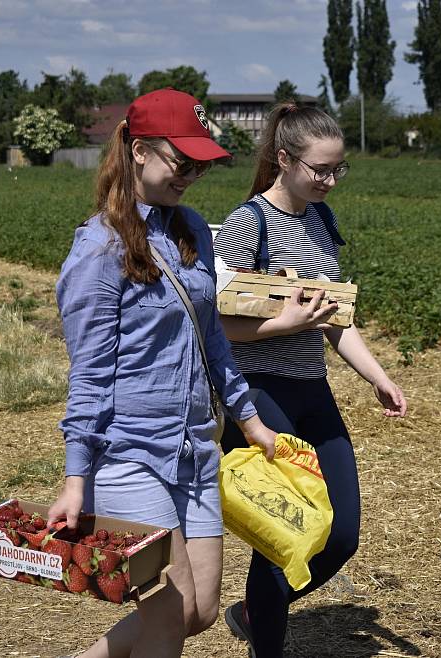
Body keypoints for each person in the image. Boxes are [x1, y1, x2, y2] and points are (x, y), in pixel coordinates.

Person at [48, 88, 278, 658]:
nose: (194, 173)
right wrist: (76, 478)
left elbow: (214, 339)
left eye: (202, 162)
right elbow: (91, 374)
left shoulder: (192, 230)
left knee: (197, 611)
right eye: (183, 159)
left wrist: (249, 422)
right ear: (139, 150)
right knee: (168, 614)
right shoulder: (99, 248)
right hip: (129, 454)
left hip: (194, 450)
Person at [213, 102, 408, 658]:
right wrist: (283, 322)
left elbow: (335, 319)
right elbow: (215, 323)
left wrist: (378, 376)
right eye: (319, 169)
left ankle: (255, 612)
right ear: (284, 159)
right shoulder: (247, 223)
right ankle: (268, 642)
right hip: (256, 389)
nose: (328, 180)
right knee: (286, 532)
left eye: (337, 169)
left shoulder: (324, 222)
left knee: (341, 533)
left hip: (310, 388)